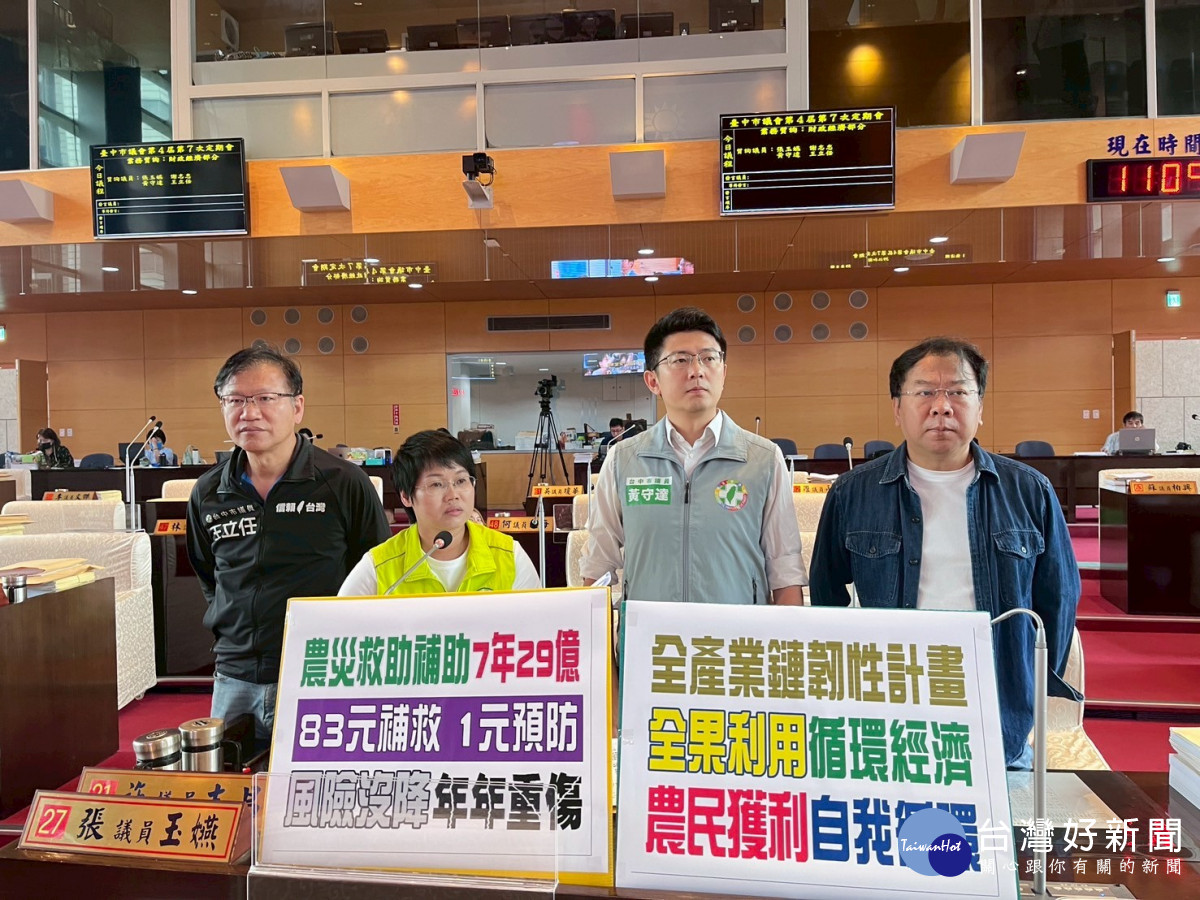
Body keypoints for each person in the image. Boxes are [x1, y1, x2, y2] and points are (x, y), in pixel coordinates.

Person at [809, 336, 1080, 769]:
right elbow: (826, 596)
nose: (941, 406)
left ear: (980, 406)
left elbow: (1058, 599)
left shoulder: (1029, 491)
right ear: (897, 408)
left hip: (996, 710)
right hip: (887, 710)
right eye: (924, 393)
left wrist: (1029, 682)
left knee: (1000, 810)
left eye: (957, 391)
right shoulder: (852, 493)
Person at [186, 345, 390, 746]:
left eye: (265, 398)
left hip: (323, 672)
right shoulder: (208, 492)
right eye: (235, 400)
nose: (249, 412)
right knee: (232, 782)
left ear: (297, 407)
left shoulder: (343, 484)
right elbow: (209, 574)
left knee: (322, 782)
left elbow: (375, 573)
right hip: (235, 675)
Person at [581, 306, 806, 605]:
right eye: (680, 360)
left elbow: (784, 569)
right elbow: (598, 563)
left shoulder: (763, 459)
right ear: (653, 381)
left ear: (723, 373)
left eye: (709, 358)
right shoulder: (623, 460)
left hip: (736, 633)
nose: (697, 370)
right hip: (651, 632)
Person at [338, 429, 540, 595]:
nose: (453, 495)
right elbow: (339, 624)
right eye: (436, 484)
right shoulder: (380, 565)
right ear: (406, 496)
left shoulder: (508, 555)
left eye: (461, 481)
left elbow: (537, 625)